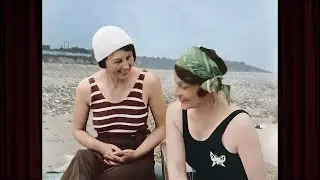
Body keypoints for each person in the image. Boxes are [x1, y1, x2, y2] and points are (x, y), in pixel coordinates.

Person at [61, 26, 166, 180]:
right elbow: (78, 130)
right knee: (81, 159)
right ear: (104, 62)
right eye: (118, 61)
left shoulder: (148, 81)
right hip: (102, 149)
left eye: (129, 57)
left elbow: (163, 126)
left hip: (137, 152)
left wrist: (136, 153)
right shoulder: (87, 87)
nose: (126, 66)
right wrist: (102, 148)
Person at [165, 46, 265, 180]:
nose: (176, 92)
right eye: (176, 84)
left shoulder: (239, 125)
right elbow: (176, 172)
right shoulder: (176, 114)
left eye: (184, 86)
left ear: (208, 88)